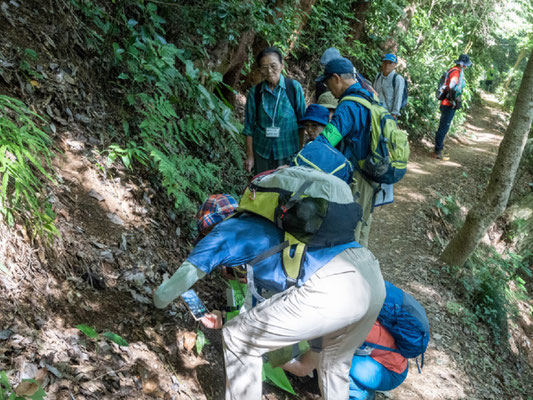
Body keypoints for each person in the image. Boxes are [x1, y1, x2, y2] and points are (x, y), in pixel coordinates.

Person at [153, 167, 386, 400]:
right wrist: (224, 318)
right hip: (369, 276)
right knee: (334, 368)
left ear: (209, 227)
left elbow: (173, 287)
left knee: (238, 338)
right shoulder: (281, 227)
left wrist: (158, 299)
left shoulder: (223, 232)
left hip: (332, 287)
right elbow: (263, 312)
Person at [315, 57, 377, 247]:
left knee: (350, 231)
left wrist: (299, 160)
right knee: (363, 226)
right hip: (371, 176)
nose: (329, 89)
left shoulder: (348, 106)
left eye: (327, 83)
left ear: (336, 78)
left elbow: (326, 140)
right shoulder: (369, 96)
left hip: (357, 178)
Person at [281, 320, 408, 400]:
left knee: (334, 362)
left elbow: (303, 369)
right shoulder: (353, 313)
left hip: (390, 373)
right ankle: (366, 390)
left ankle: (359, 395)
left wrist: (273, 358)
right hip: (393, 363)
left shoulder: (335, 330)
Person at [243, 47, 306, 174]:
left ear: (282, 65)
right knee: (263, 188)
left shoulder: (293, 88)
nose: (269, 71)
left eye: (273, 65)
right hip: (262, 152)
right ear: (260, 70)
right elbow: (248, 128)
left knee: (285, 190)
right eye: (264, 67)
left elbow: (302, 123)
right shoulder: (255, 93)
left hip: (288, 151)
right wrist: (250, 156)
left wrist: (299, 153)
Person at [433, 54, 472, 160]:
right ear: (462, 65)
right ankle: (437, 151)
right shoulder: (456, 72)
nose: (466, 67)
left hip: (446, 103)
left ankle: (438, 148)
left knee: (443, 126)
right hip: (448, 104)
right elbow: (452, 87)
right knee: (443, 127)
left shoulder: (452, 69)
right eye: (466, 65)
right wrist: (455, 101)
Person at [373, 53, 405, 120]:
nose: (387, 65)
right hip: (376, 111)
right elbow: (374, 92)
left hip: (389, 114)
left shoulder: (397, 79)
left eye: (390, 63)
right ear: (382, 63)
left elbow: (398, 97)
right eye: (385, 62)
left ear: (395, 65)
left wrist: (394, 114)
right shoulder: (378, 76)